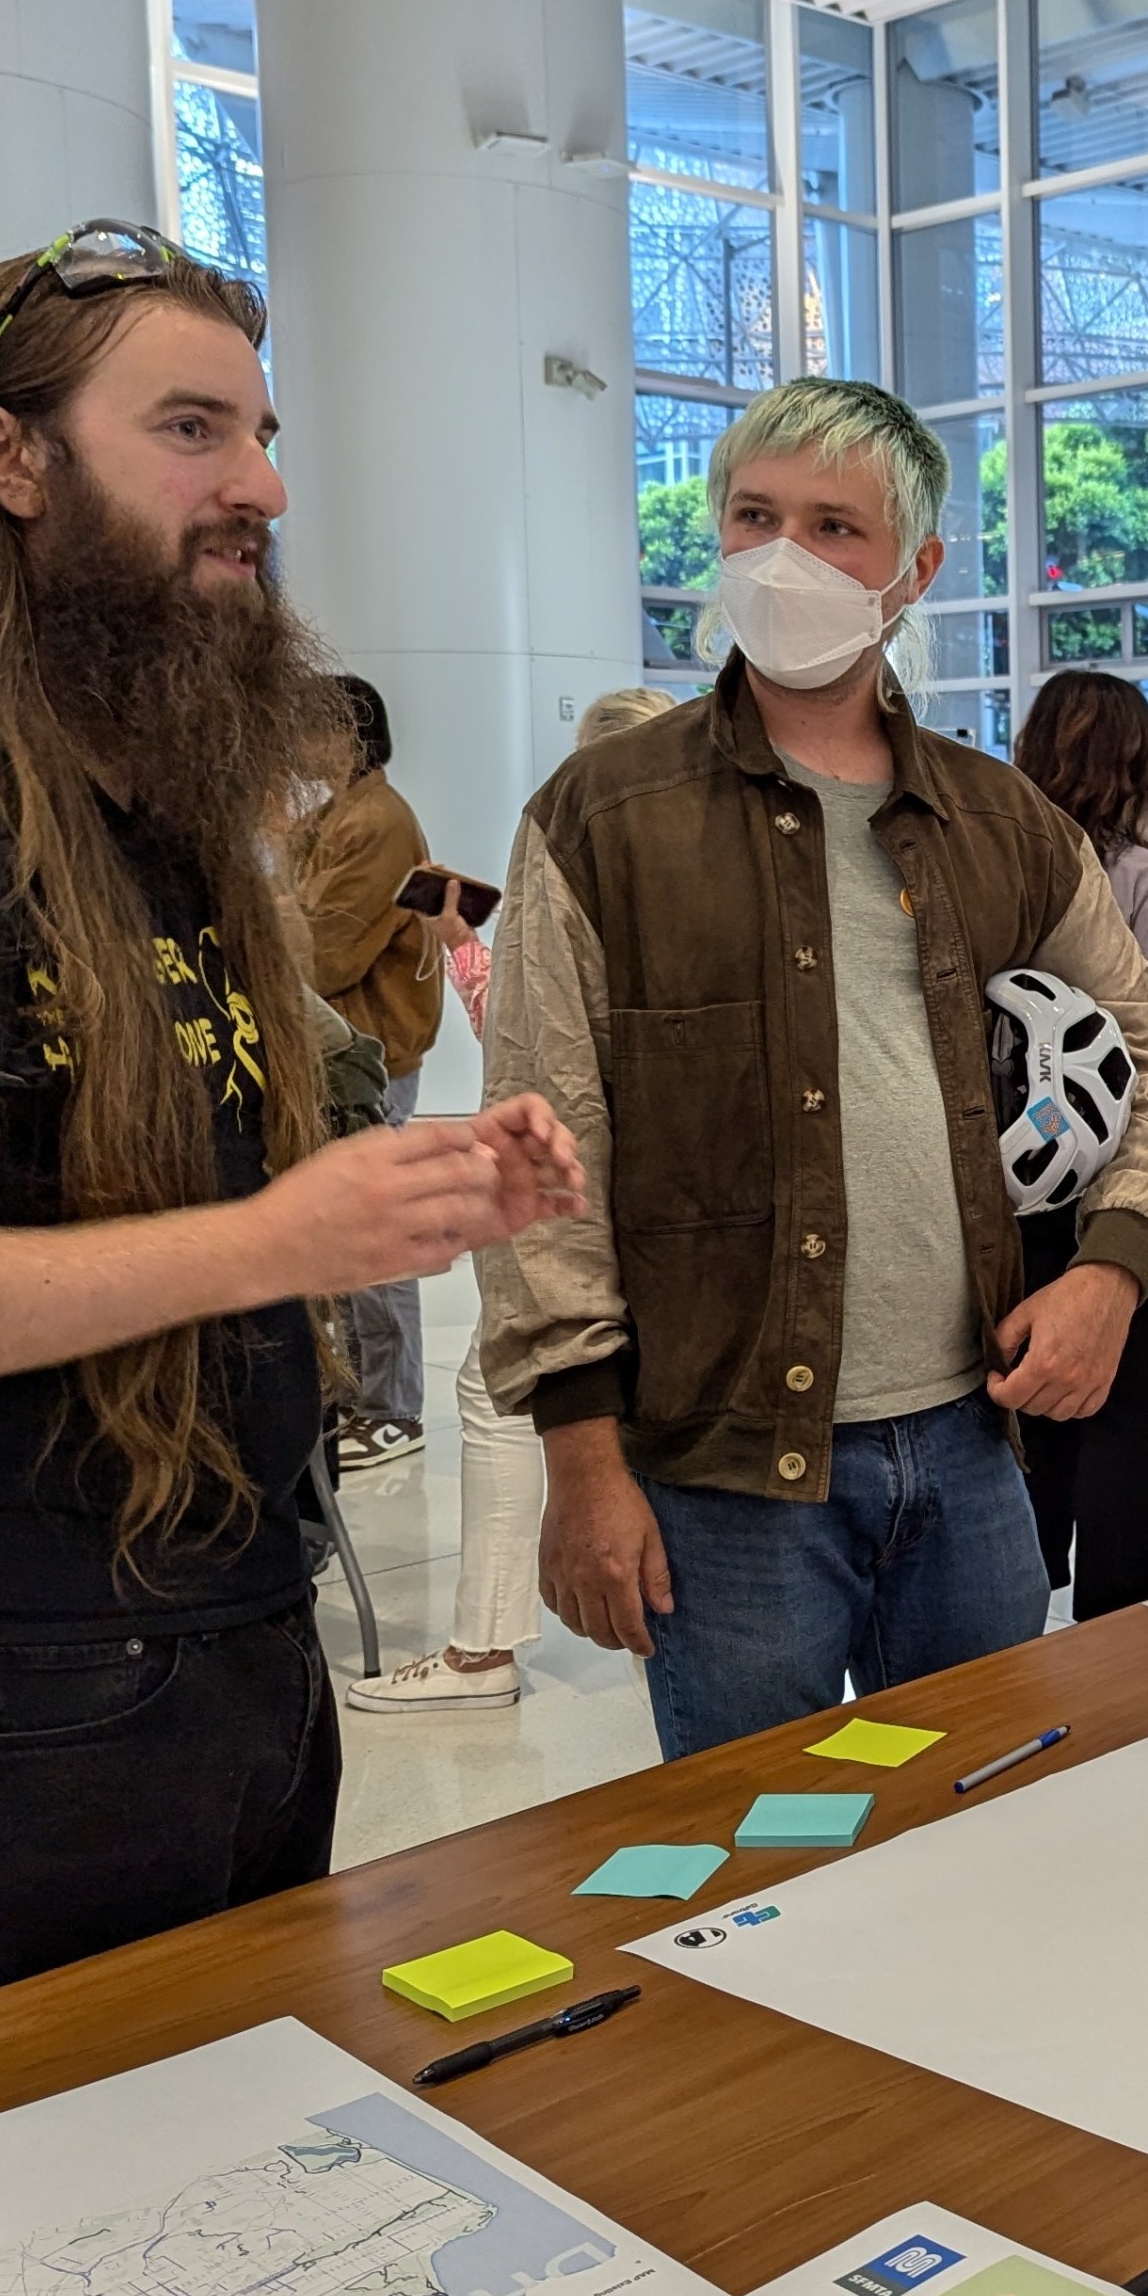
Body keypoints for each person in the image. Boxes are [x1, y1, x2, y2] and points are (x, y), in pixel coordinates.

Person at [0, 222, 582, 2032]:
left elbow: (121, 1188)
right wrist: (276, 1241)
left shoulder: (134, 786)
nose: (263, 484)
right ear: (10, 457)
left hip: (212, 1635)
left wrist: (385, 1199)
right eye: (191, 432)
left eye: (259, 432)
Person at [487, 376, 1148, 1758]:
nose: (785, 558)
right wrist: (581, 1457)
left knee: (991, 1823)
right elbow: (539, 1151)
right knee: (757, 1860)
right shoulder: (602, 819)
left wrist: (1113, 1266)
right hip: (720, 1468)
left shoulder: (1000, 821)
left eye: (836, 527)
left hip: (969, 1438)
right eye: (755, 516)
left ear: (917, 569)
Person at [348, 683, 674, 1716]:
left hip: (580, 1190)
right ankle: (657, 1643)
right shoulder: (704, 883)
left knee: (500, 1393)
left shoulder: (579, 876)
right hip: (678, 1204)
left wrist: (464, 950)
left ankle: (486, 1647)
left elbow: (530, 1043)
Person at [1010, 672, 1148, 1620]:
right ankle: (1111, 1646)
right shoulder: (1145, 880)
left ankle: (1019, 1629)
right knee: (1131, 1442)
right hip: (1139, 1208)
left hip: (1020, 1199)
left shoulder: (996, 875)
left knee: (1028, 1430)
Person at [292, 672, 443, 1470]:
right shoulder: (332, 814)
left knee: (379, 1228)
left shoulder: (377, 820)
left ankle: (393, 1407)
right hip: (343, 1050)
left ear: (348, 735)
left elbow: (324, 948)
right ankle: (361, 1397)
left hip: (370, 1052)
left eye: (307, 728)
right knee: (348, 1230)